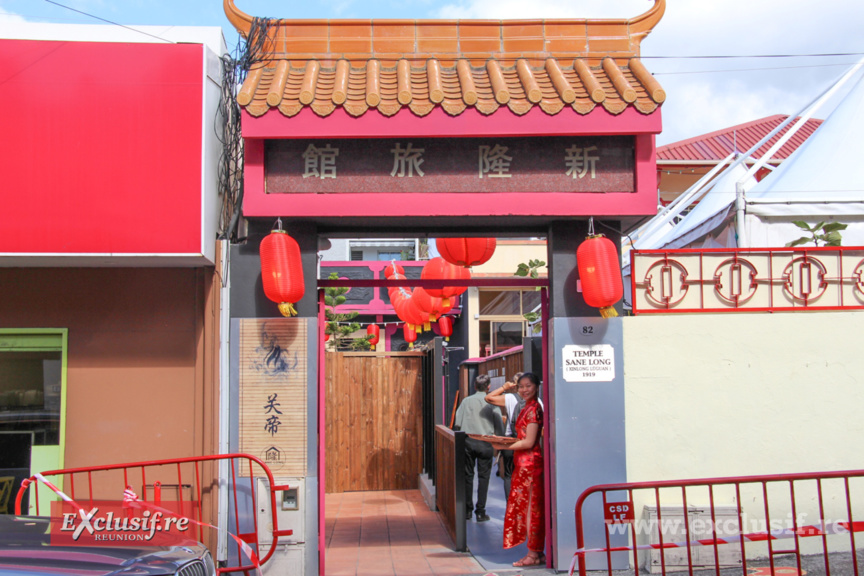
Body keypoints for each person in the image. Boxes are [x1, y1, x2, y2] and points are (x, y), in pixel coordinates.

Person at [489, 372, 545, 567]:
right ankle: (536, 552)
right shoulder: (528, 407)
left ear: (536, 387)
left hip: (530, 465)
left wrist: (503, 446)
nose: (524, 390)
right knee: (529, 508)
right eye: (521, 386)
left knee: (531, 510)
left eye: (528, 386)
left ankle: (533, 554)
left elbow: (529, 442)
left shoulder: (533, 409)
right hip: (524, 464)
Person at [454, 373, 502, 522]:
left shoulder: (466, 401)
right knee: (484, 477)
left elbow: (457, 423)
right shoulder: (492, 403)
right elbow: (499, 426)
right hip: (485, 442)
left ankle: (467, 510)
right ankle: (480, 511)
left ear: (474, 386)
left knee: (468, 475)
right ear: (489, 387)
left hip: (468, 441)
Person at [484, 371, 523, 501]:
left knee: (508, 475)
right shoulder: (538, 400)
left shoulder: (510, 398)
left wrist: (504, 388)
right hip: (528, 443)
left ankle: (510, 506)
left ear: (515, 385)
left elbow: (489, 397)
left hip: (510, 441)